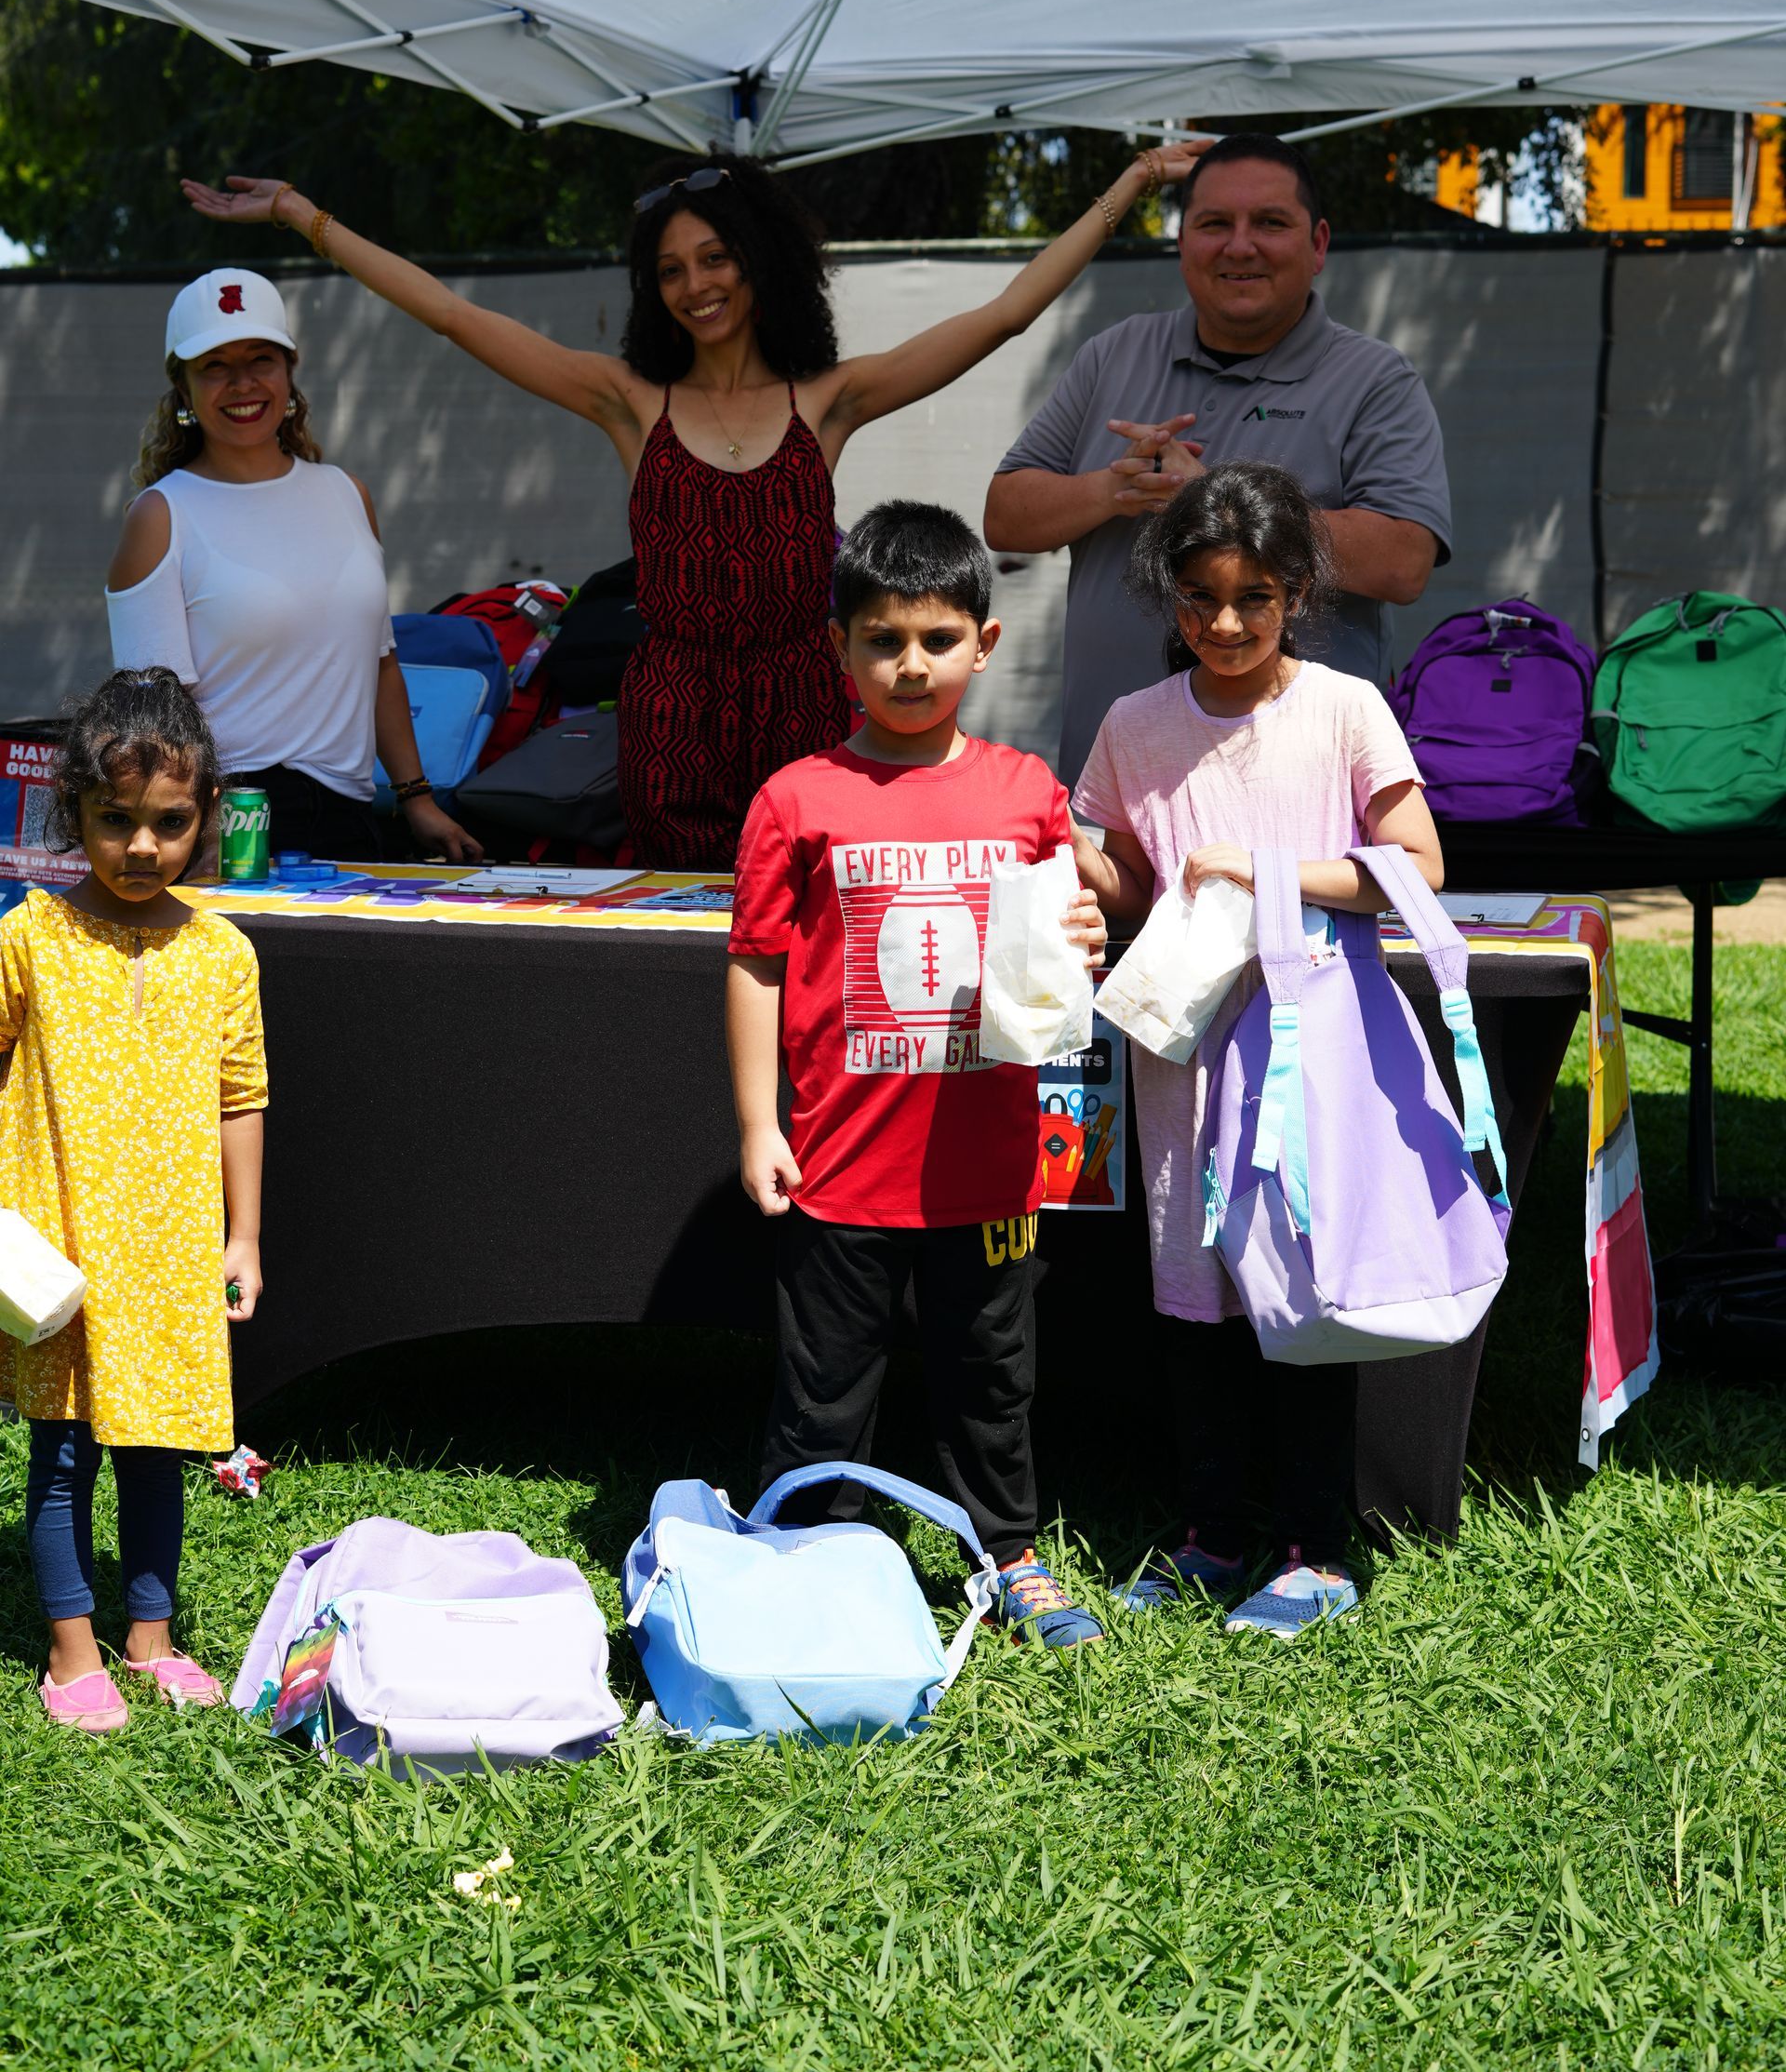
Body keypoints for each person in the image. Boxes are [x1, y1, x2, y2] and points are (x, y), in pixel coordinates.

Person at [181, 146, 1206, 869]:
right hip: (672, 718)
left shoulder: (828, 399)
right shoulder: (630, 401)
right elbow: (452, 314)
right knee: (679, 954)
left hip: (803, 709)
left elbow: (1008, 313)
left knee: (806, 944)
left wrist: (1130, 184)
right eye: (670, 270)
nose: (696, 285)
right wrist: (302, 217)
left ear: (758, 262)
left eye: (715, 259)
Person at [726, 501, 1109, 1647]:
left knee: (992, 1373)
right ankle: (808, 1563)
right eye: (882, 640)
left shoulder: (1029, 793)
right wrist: (759, 1123)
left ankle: (1009, 1553)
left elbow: (1069, 933)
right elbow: (755, 966)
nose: (910, 665)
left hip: (991, 1167)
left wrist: (1086, 932)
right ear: (838, 648)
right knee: (824, 1384)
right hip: (840, 1165)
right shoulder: (795, 799)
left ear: (983, 644)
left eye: (938, 640)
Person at [1071, 466, 1443, 1639]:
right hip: (1183, 1052)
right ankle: (1212, 1535)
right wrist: (1076, 864)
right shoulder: (1135, 725)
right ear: (1167, 595)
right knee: (1196, 1293)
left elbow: (1418, 865)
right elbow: (1138, 881)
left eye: (1254, 599)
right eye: (1199, 598)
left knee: (1300, 1288)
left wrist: (1263, 870)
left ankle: (1316, 1549)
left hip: (1307, 1052)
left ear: (1298, 595)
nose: (1224, 624)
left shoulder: (1343, 709)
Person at [983, 130, 1452, 789]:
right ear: (1182, 243)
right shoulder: (1113, 354)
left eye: (1270, 223)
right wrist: (1111, 490)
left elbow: (1405, 562)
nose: (1239, 245)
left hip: (1294, 795)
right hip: (1113, 794)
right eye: (1213, 224)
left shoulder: (1376, 379)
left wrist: (1210, 499)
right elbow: (1004, 517)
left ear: (1318, 244)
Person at [1, 669, 268, 1731]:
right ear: (74, 812)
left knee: (160, 1452)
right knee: (62, 1454)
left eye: (170, 822)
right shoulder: (29, 939)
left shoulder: (224, 954)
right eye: (116, 820)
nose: (143, 846)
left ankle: (151, 1639)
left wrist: (244, 1237)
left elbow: (241, 1098)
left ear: (208, 816)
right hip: (59, 1254)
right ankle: (72, 1652)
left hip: (171, 1255)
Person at [105, 267, 483, 865]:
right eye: (215, 366)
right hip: (223, 826)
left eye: (261, 359)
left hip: (351, 819)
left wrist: (417, 799)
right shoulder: (160, 515)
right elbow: (153, 716)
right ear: (183, 389)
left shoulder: (347, 494)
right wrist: (198, 848)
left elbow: (381, 665)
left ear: (289, 370)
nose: (242, 383)